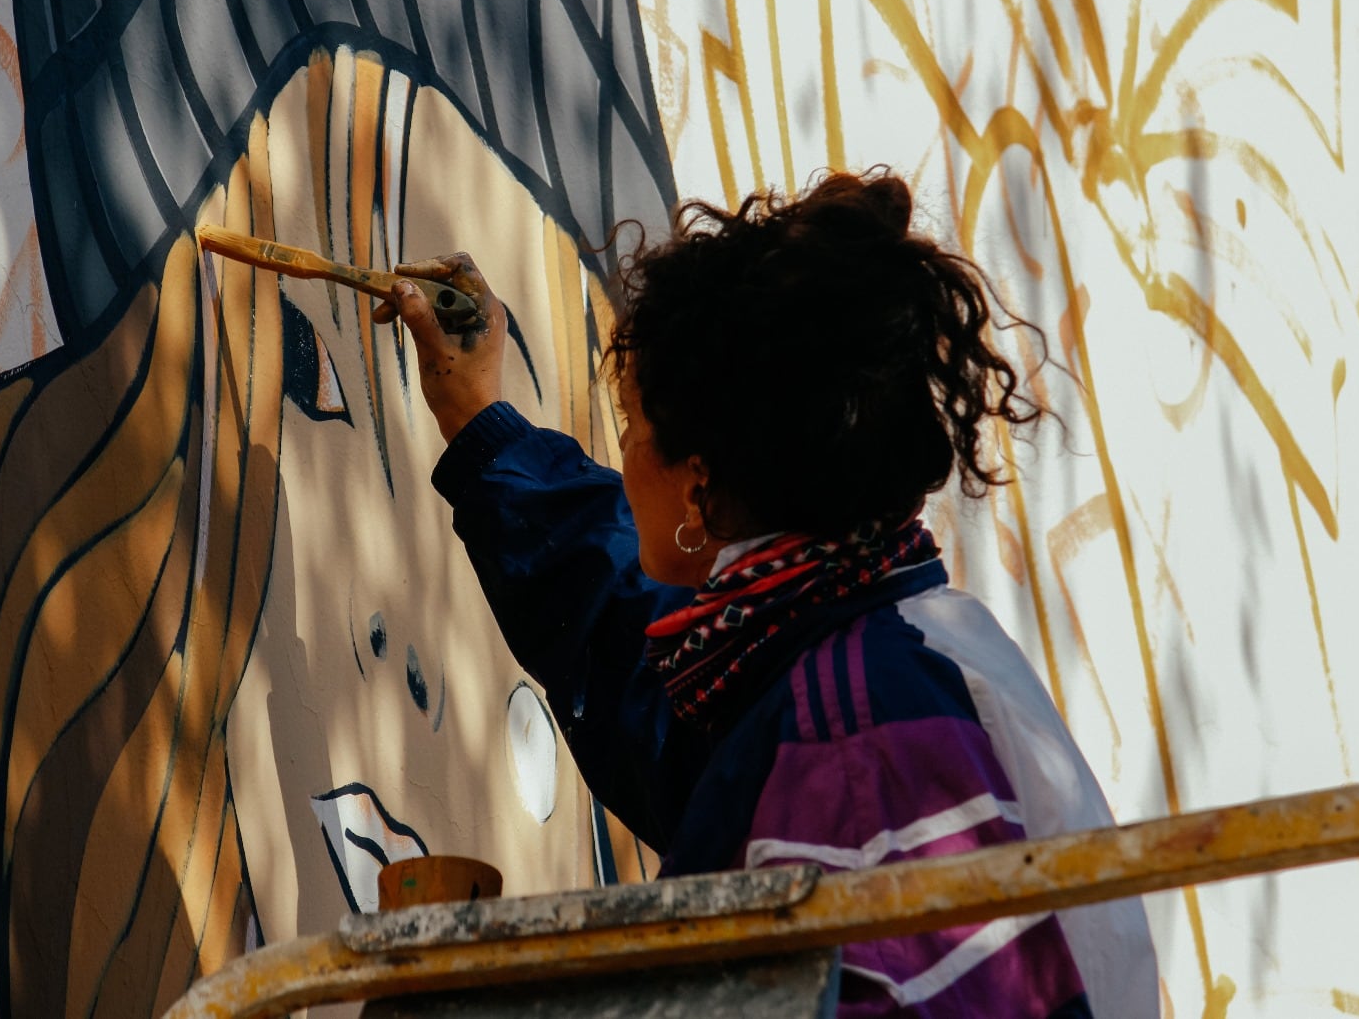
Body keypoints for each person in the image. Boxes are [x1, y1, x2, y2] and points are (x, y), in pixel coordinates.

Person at [377, 168, 1159, 1017]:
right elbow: (636, 644)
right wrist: (481, 424)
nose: (624, 451)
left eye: (633, 428)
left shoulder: (864, 733)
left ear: (700, 489)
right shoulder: (838, 619)